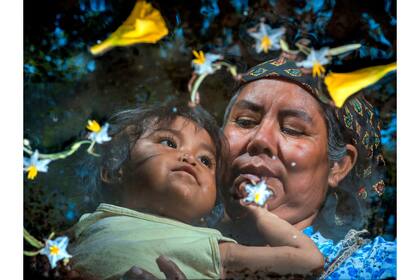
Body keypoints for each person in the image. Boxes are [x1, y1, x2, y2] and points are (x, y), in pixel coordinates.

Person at [124, 55, 396, 279]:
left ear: (337, 166)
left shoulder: (385, 267)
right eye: (244, 122)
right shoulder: (143, 232)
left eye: (292, 129)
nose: (260, 140)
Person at [68, 101, 324, 279]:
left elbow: (309, 260)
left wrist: (258, 212)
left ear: (210, 204)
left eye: (205, 161)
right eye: (169, 142)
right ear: (113, 170)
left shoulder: (207, 245)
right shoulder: (87, 226)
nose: (189, 159)